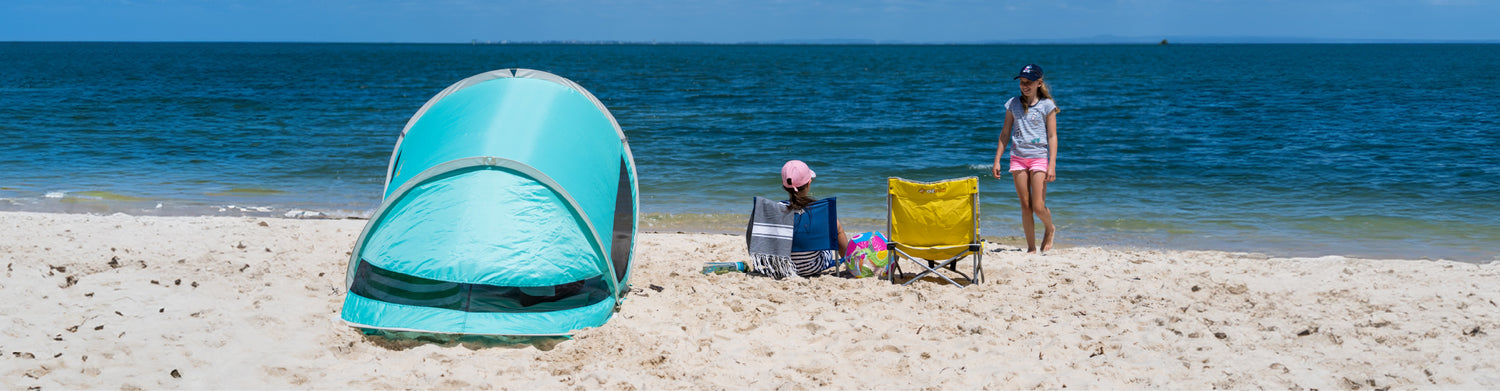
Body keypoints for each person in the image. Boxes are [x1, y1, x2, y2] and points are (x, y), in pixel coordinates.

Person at [991, 64, 1060, 253]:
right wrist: (997, 159)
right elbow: (1005, 133)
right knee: (1025, 205)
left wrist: (1051, 164)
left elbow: (1052, 136)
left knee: (1038, 206)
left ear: (1039, 83)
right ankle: (1031, 247)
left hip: (1039, 158)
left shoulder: (1047, 106)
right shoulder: (1013, 104)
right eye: (1022, 82)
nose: (1024, 86)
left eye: (1028, 82)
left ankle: (1050, 228)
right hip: (1018, 158)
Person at [780, 160, 850, 277]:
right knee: (835, 227)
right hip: (813, 266)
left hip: (783, 267)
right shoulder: (820, 210)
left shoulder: (775, 209)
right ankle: (848, 259)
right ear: (809, 184)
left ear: (785, 186)